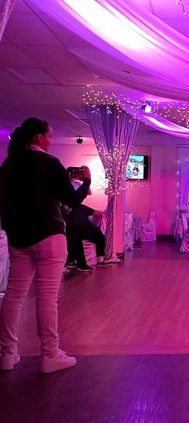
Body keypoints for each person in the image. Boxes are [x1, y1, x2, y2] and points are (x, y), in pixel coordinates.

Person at [0, 118, 91, 373]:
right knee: (47, 298)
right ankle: (50, 354)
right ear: (39, 137)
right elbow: (71, 199)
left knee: (14, 295)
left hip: (18, 239)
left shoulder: (8, 165)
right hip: (49, 236)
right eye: (50, 136)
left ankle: (6, 353)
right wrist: (86, 182)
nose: (50, 141)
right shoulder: (49, 163)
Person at [63, 203, 106, 271]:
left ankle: (100, 260)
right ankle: (77, 263)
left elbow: (96, 213)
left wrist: (104, 216)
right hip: (74, 233)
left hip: (88, 230)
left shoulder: (80, 207)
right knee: (75, 240)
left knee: (100, 236)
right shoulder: (60, 212)